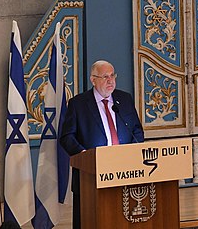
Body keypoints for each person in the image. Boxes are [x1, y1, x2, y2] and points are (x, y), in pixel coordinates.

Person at [60, 60, 144, 229]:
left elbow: (137, 131)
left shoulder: (124, 99)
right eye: (105, 76)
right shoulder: (78, 104)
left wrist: (134, 153)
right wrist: (84, 156)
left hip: (124, 170)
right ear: (93, 79)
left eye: (112, 75)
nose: (110, 80)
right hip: (90, 173)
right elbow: (67, 136)